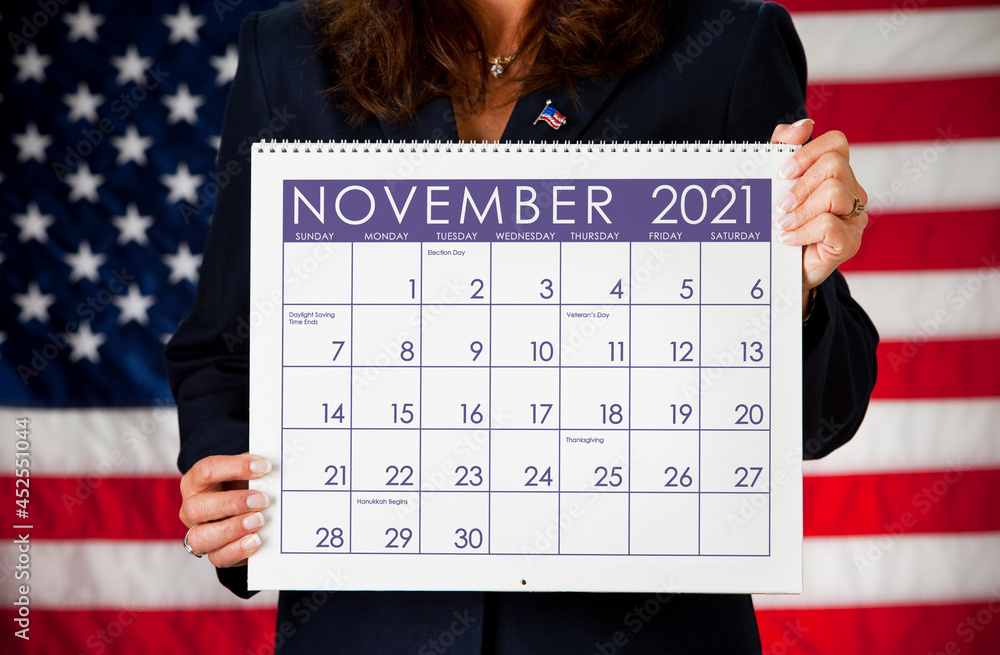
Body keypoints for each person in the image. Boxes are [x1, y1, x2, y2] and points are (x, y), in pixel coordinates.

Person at [165, 0, 879, 652]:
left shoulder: (725, 43)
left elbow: (821, 421)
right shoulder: (290, 51)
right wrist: (230, 484)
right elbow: (222, 349)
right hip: (370, 630)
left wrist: (801, 296)